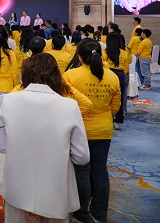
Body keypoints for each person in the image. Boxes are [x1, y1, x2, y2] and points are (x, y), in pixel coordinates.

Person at [0, 53, 90, 222]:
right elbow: (82, 157)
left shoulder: (9, 101)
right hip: (55, 190)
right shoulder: (69, 106)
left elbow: (2, 147)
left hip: (17, 188)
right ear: (56, 77)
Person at [63, 39, 121, 223]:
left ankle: (81, 211)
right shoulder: (112, 77)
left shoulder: (70, 76)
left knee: (80, 172)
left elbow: (64, 105)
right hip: (103, 130)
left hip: (78, 130)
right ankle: (99, 214)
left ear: (79, 57)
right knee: (99, 171)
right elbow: (115, 108)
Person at [102, 32, 129, 129]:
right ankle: (118, 121)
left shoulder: (104, 53)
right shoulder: (124, 53)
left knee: (106, 98)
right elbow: (126, 69)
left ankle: (108, 119)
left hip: (108, 74)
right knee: (119, 99)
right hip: (120, 75)